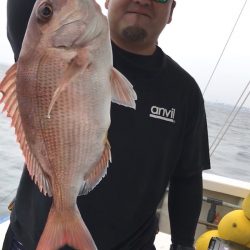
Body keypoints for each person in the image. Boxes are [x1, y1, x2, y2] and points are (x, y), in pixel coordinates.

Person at [3, 0, 211, 249]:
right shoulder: (44, 51)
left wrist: (183, 245)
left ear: (171, 12)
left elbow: (187, 177)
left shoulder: (184, 91)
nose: (143, 1)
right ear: (107, 1)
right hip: (31, 241)